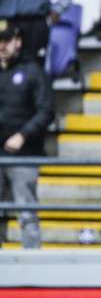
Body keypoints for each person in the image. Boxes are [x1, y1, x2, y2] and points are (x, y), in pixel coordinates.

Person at [0, 20, 52, 249]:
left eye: (6, 40)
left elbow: (46, 110)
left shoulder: (32, 71)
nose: (2, 46)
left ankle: (33, 267)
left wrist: (23, 135)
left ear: (18, 42)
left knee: (27, 212)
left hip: (24, 154)